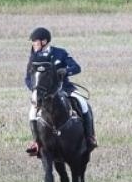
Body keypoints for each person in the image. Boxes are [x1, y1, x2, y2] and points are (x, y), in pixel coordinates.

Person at [25, 27, 96, 156]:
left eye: (35, 42)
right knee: (32, 112)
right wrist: (35, 89)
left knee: (83, 104)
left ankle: (89, 137)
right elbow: (28, 78)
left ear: (44, 41)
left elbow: (76, 67)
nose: (34, 45)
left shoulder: (60, 53)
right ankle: (36, 142)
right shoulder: (34, 58)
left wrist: (66, 71)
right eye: (33, 43)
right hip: (44, 94)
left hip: (65, 89)